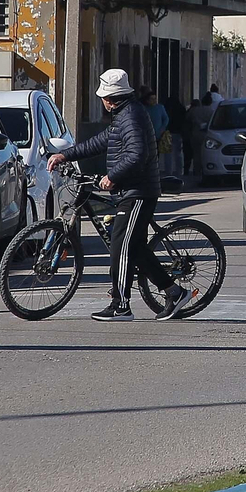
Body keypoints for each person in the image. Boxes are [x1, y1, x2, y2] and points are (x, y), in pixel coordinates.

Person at [47, 69, 193, 322]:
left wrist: (113, 176)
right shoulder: (123, 115)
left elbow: (138, 155)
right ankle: (174, 292)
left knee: (120, 246)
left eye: (103, 96)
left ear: (110, 98)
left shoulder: (132, 116)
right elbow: (102, 141)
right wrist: (66, 155)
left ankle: (121, 305)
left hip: (139, 191)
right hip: (131, 189)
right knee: (135, 249)